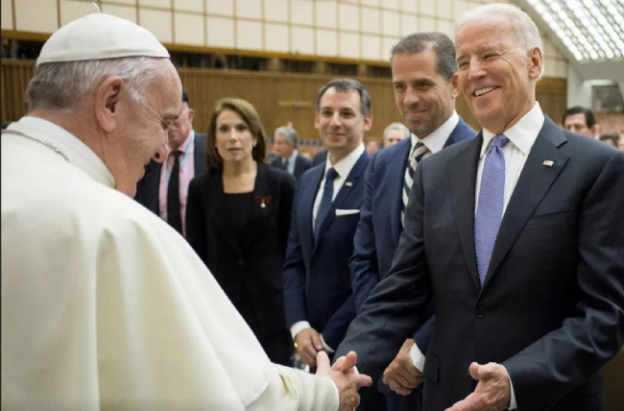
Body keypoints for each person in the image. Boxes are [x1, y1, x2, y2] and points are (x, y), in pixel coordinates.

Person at [1, 13, 371, 411]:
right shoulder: (114, 226)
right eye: (161, 122)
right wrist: (326, 392)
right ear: (110, 102)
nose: (163, 149)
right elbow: (222, 393)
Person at [334, 4, 624, 411]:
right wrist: (346, 365)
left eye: (489, 55)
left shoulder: (596, 167)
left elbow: (606, 315)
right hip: (448, 396)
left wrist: (515, 382)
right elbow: (400, 291)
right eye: (463, 61)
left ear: (534, 62)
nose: (473, 71)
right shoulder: (436, 172)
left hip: (546, 399)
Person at [349, 31, 476, 411]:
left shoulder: (484, 159)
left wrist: (419, 346)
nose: (409, 98)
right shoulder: (384, 164)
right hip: (388, 371)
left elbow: (478, 279)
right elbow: (364, 259)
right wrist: (385, 339)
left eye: (422, 84)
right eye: (399, 86)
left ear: (454, 84)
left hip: (454, 367)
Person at [283, 79, 382, 410]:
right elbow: (296, 260)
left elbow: (376, 270)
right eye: (327, 112)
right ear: (316, 119)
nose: (335, 121)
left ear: (366, 121)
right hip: (308, 346)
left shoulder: (378, 178)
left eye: (346, 113)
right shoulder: (309, 178)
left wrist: (328, 337)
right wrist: (299, 327)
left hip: (355, 342)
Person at [185, 98, 295, 365]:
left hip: (272, 313)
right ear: (213, 139)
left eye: (241, 128)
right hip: (221, 311)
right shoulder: (200, 188)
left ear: (256, 137)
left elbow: (291, 254)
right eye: (224, 130)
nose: (233, 137)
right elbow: (196, 256)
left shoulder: (281, 184)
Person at [134, 90, 206, 236]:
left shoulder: (211, 152)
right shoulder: (148, 158)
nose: (170, 124)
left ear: (190, 116)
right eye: (163, 118)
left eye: (175, 116)